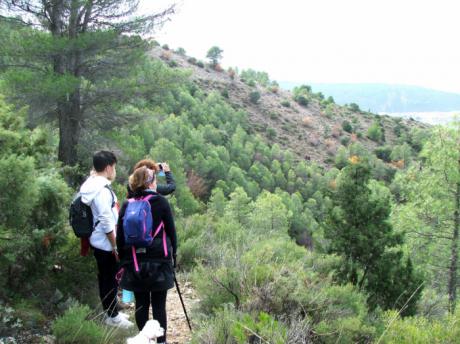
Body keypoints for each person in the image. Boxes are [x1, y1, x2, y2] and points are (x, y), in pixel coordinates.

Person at [117, 166, 177, 344]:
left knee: (141, 304)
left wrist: (124, 261)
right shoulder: (161, 202)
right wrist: (174, 256)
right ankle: (161, 341)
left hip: (135, 262)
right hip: (159, 260)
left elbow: (120, 236)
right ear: (151, 182)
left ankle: (145, 340)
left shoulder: (128, 204)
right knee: (159, 305)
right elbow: (172, 233)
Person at [80, 150, 134, 329]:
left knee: (106, 278)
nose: (115, 171)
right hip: (105, 244)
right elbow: (106, 221)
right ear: (109, 167)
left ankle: (112, 311)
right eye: (114, 167)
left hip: (97, 241)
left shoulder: (91, 184)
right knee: (109, 279)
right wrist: (115, 246)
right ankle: (112, 317)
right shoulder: (102, 191)